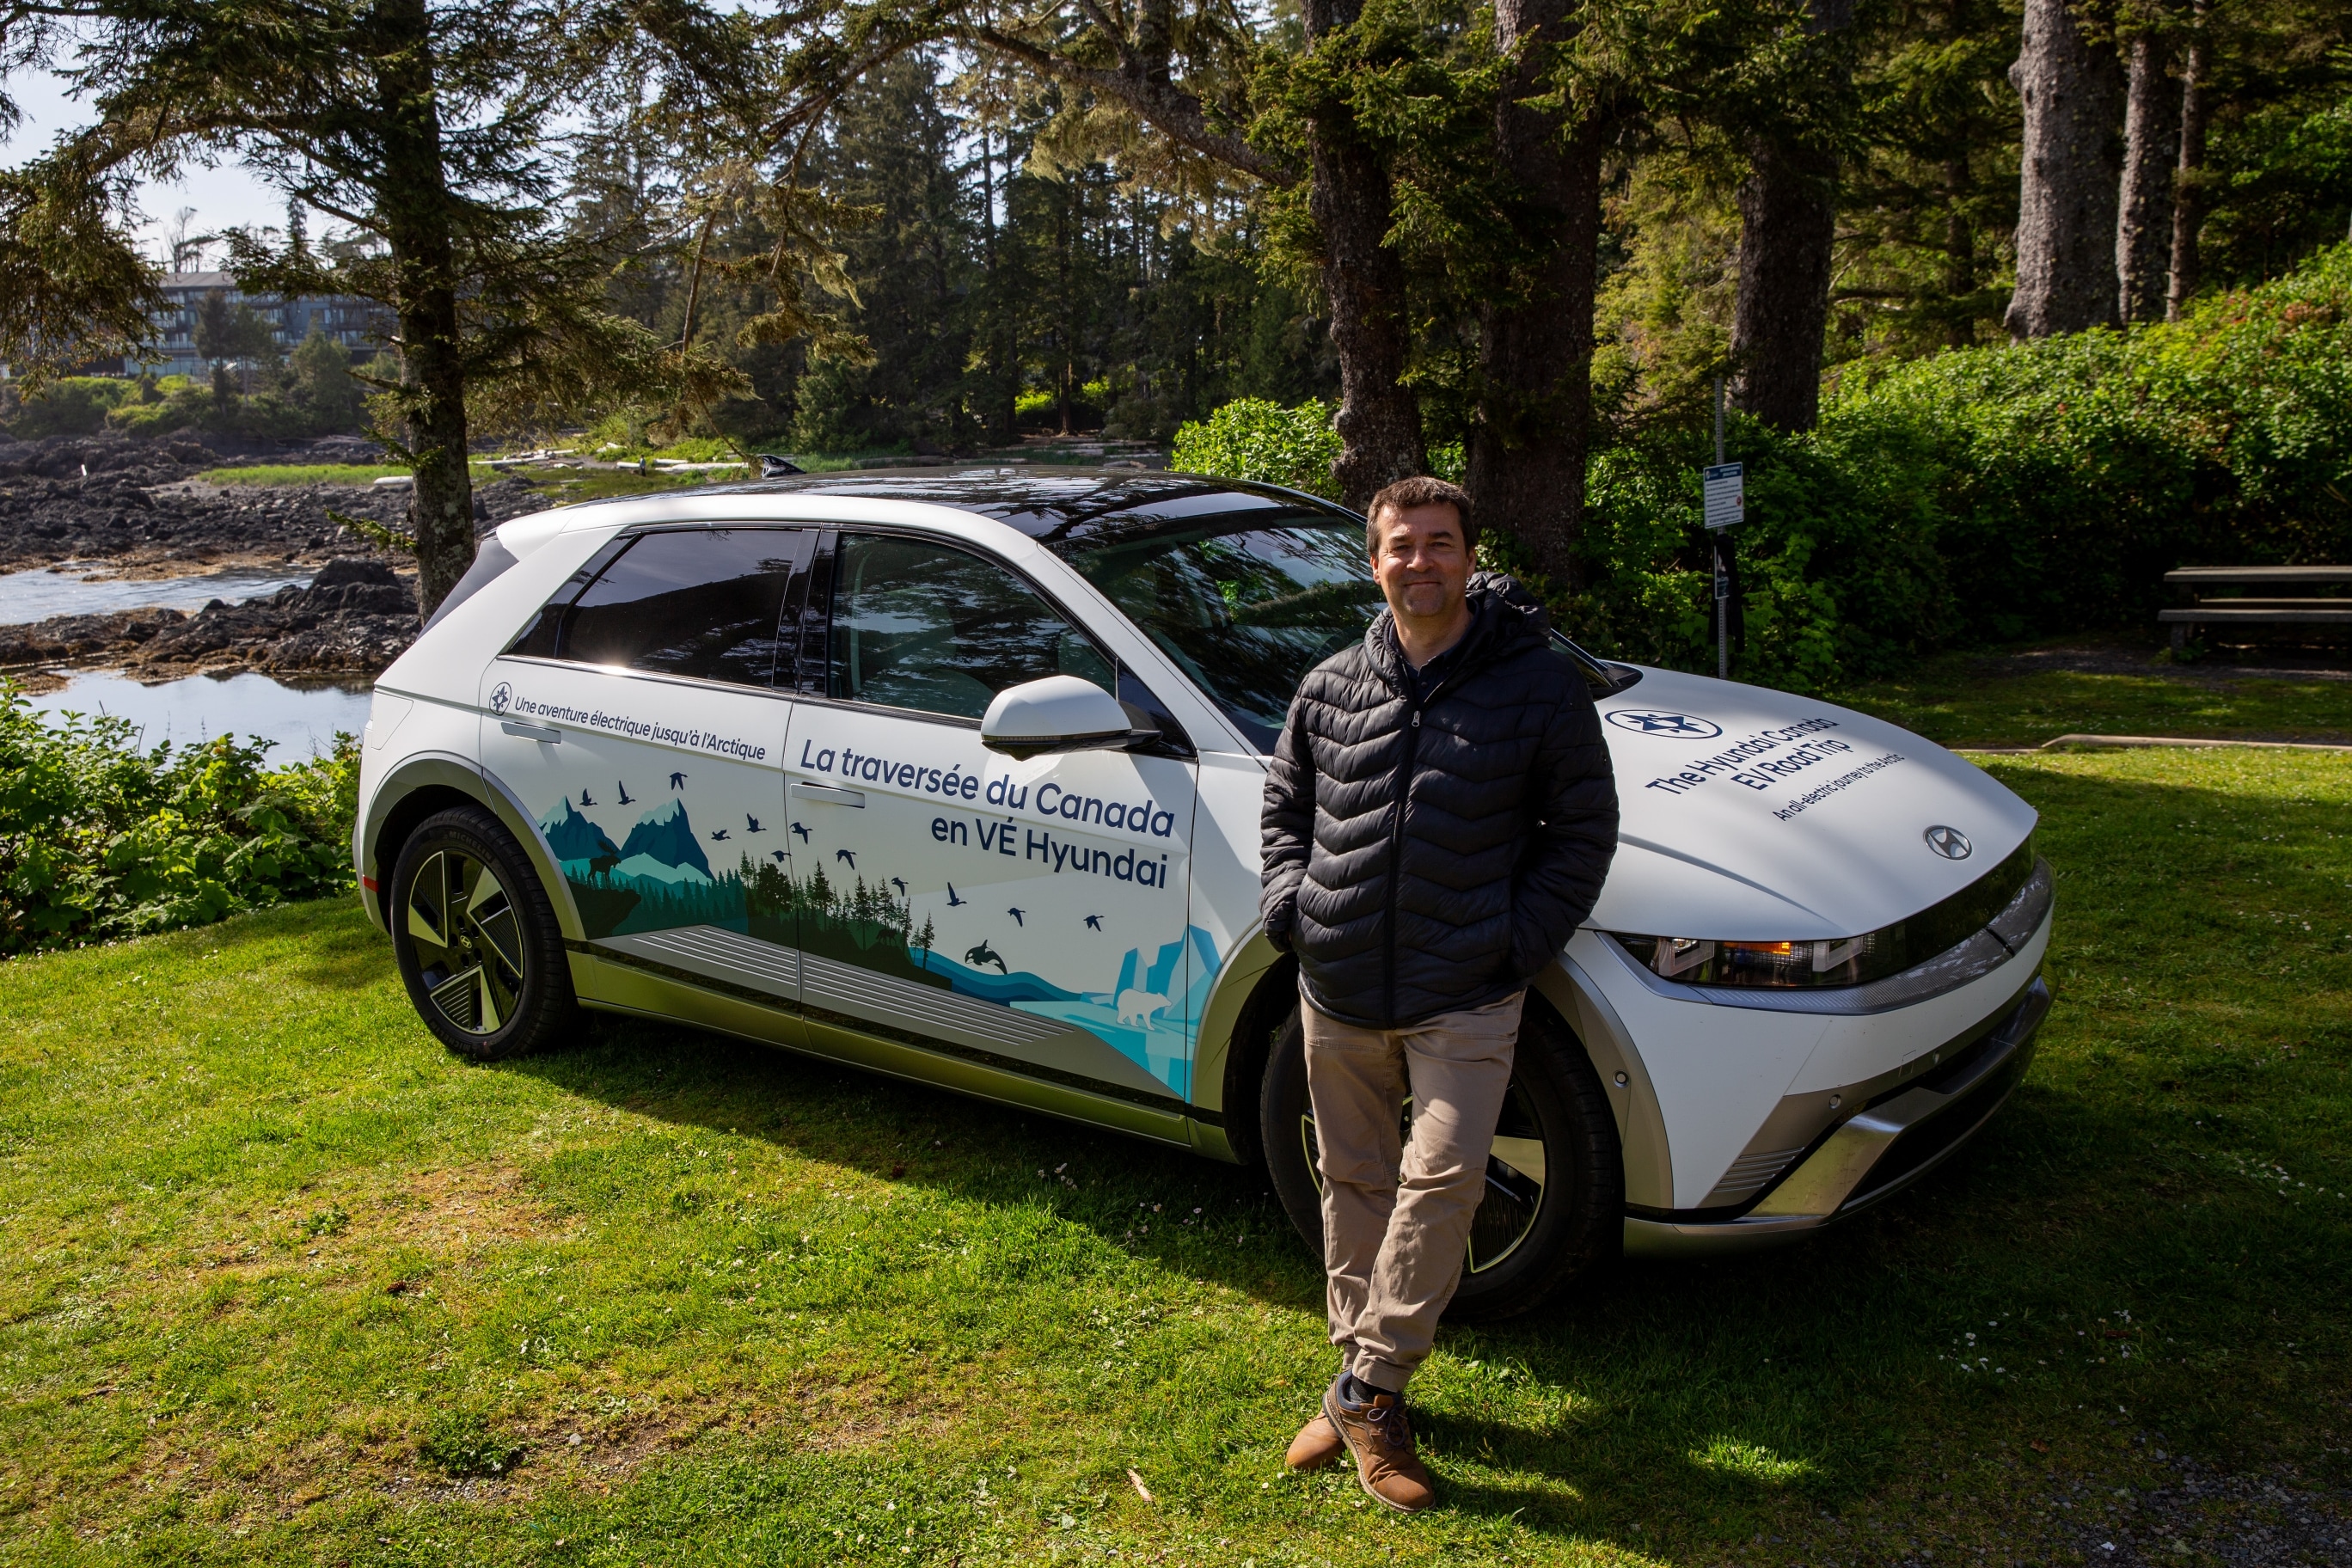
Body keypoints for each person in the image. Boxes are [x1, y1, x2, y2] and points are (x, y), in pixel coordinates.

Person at [1259, 475, 1620, 1512]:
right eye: (1402, 545)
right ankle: (1363, 1376)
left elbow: (1582, 831)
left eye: (1440, 542)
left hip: (1465, 989)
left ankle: (1367, 1389)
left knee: (1446, 1179)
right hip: (1337, 985)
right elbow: (1285, 805)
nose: (1420, 561)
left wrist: (1515, 943)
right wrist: (1292, 908)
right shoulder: (1331, 684)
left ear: (1469, 555)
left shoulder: (1537, 686)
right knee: (1353, 1180)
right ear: (1374, 562)